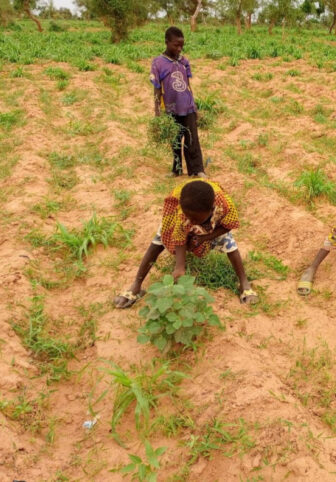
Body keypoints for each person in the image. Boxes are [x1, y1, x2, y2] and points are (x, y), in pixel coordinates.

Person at [113, 180, 257, 308]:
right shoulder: (182, 212)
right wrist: (179, 266)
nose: (191, 222)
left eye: (195, 219)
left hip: (213, 225)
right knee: (158, 241)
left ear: (211, 210)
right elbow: (179, 234)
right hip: (179, 216)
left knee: (229, 243)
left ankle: (244, 284)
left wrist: (206, 237)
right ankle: (136, 286)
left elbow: (229, 225)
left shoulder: (224, 206)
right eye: (189, 217)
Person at [150, 26, 206, 178]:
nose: (179, 48)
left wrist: (194, 106)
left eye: (182, 45)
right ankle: (177, 169)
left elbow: (188, 85)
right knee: (175, 141)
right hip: (171, 109)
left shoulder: (184, 61)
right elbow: (156, 89)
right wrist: (157, 111)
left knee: (192, 139)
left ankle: (197, 169)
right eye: (176, 45)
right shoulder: (158, 63)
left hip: (187, 107)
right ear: (167, 42)